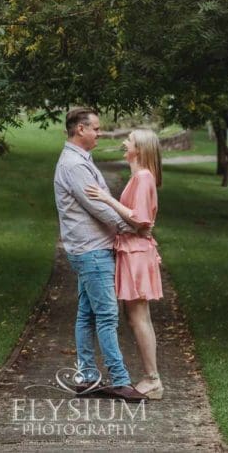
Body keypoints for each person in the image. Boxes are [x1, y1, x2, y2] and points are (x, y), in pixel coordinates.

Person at [53, 107, 146, 402]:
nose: (99, 132)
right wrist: (131, 228)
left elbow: (100, 202)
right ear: (80, 129)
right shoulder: (74, 165)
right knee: (107, 316)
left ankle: (87, 378)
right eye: (95, 128)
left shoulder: (81, 160)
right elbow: (99, 208)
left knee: (87, 315)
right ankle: (120, 380)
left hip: (89, 248)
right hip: (91, 250)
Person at [85, 128, 165, 400]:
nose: (123, 142)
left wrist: (106, 199)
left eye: (128, 141)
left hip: (136, 254)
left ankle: (153, 379)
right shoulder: (140, 177)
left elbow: (140, 219)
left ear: (139, 149)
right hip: (133, 251)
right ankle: (151, 377)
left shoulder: (143, 177)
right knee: (137, 317)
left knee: (139, 317)